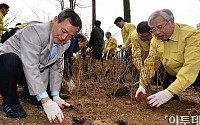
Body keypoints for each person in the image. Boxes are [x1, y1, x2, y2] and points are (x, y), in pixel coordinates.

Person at [0, 8, 82, 123]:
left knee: (44, 90)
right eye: (63, 31)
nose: (64, 38)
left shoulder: (65, 43)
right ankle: (10, 103)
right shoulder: (35, 31)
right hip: (5, 66)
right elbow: (30, 65)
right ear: (55, 20)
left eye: (70, 36)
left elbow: (56, 67)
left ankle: (28, 94)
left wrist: (55, 95)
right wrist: (46, 101)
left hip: (24, 70)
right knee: (10, 61)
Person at [135, 9, 200, 108]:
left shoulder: (191, 35)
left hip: (195, 73)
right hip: (173, 72)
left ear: (172, 22)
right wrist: (142, 84)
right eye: (153, 29)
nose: (157, 32)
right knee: (160, 67)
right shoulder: (155, 40)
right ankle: (173, 99)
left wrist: (169, 92)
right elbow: (150, 62)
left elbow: (191, 66)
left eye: (160, 27)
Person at [62, 33, 87, 98]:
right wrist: (68, 77)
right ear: (79, 40)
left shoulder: (72, 39)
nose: (80, 49)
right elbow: (68, 60)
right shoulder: (72, 40)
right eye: (81, 47)